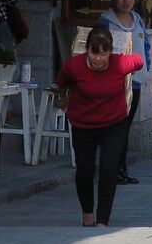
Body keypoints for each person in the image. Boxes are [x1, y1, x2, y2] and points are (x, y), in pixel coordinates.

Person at [56, 27, 144, 227]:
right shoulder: (74, 67)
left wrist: (128, 53)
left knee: (108, 168)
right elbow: (61, 80)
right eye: (94, 52)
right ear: (87, 50)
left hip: (114, 124)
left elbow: (138, 61)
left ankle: (102, 220)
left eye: (104, 53)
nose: (98, 58)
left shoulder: (118, 63)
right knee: (84, 171)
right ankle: (87, 212)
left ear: (110, 52)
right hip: (82, 124)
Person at [99, 0, 152, 185]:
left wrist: (145, 72)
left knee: (125, 127)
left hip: (135, 82)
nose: (125, 0)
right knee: (114, 127)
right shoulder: (106, 22)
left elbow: (146, 47)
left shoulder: (137, 21)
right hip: (112, 83)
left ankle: (121, 169)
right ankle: (111, 170)